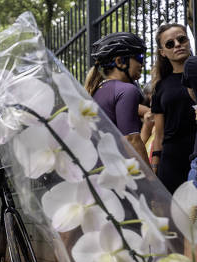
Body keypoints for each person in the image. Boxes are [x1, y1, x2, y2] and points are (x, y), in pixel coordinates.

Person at [84, 32, 149, 163]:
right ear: (120, 61)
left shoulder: (95, 91)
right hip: (115, 174)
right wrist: (152, 180)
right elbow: (132, 140)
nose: (142, 63)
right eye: (139, 57)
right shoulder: (127, 90)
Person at [150, 23, 196, 193]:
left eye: (181, 39)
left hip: (195, 151)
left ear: (188, 41)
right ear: (163, 52)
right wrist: (155, 165)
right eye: (170, 43)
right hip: (172, 160)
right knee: (176, 216)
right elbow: (159, 134)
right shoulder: (160, 87)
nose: (177, 44)